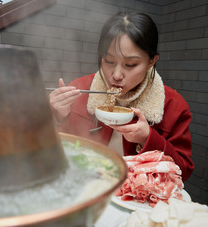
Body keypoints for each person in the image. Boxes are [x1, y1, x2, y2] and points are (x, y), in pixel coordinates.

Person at [49, 11, 194, 181]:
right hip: (83, 186)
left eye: (130, 64)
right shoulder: (80, 90)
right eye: (109, 61)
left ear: (151, 61)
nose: (116, 75)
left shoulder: (173, 105)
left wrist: (148, 138)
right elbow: (49, 152)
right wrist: (54, 117)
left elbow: (181, 173)